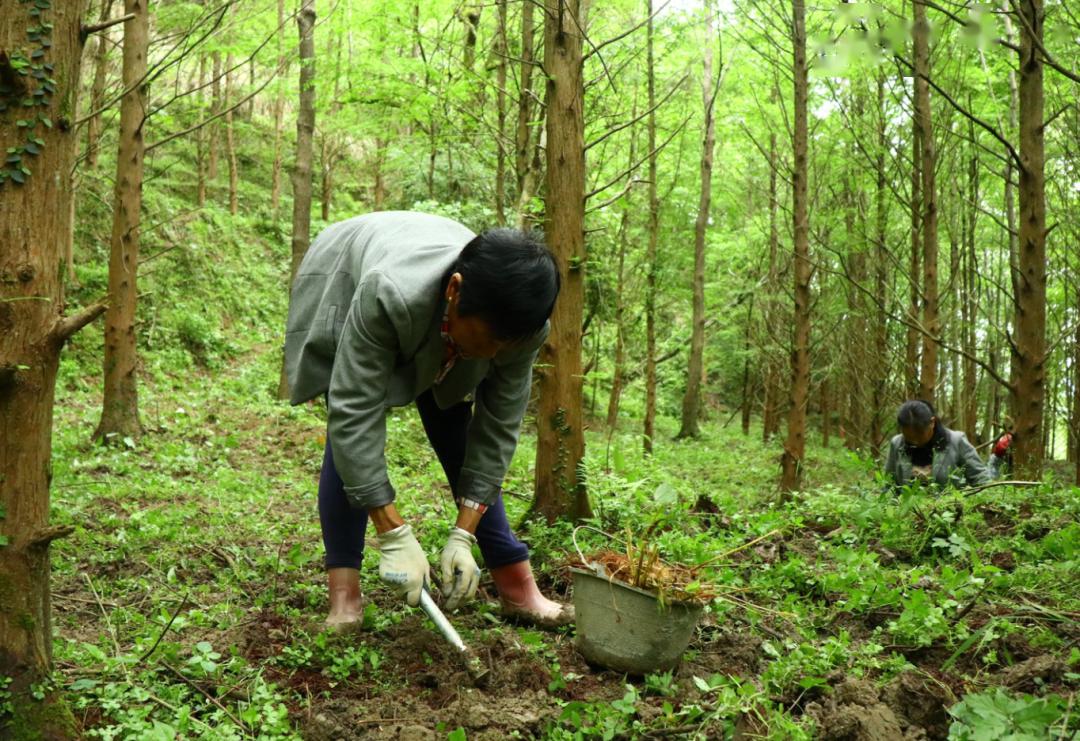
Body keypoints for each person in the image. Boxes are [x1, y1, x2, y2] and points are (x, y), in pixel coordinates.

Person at [284, 211, 573, 630]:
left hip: (437, 309)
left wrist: (464, 534)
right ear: (455, 291)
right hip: (347, 271)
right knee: (347, 434)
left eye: (502, 346)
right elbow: (355, 413)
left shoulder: (522, 325)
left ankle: (517, 583)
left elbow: (497, 430)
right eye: (486, 340)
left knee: (455, 423)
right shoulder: (387, 291)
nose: (493, 355)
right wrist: (393, 533)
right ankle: (344, 597)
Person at [883, 400, 990, 489]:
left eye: (919, 435)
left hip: (951, 511)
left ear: (932, 422)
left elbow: (980, 477)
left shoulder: (956, 441)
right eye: (909, 437)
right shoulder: (896, 444)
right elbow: (888, 485)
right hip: (907, 512)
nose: (914, 441)